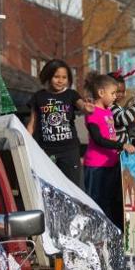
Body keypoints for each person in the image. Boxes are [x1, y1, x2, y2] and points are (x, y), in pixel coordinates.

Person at [27, 59, 93, 188]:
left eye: (64, 77)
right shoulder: (39, 97)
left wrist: (87, 109)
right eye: (56, 76)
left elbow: (82, 106)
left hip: (69, 150)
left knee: (73, 187)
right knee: (49, 186)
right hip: (46, 151)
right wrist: (25, 141)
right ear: (48, 76)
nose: (60, 80)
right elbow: (32, 124)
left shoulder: (71, 94)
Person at [82, 72, 135, 225]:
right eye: (112, 93)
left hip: (111, 164)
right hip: (96, 166)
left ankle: (111, 233)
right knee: (96, 202)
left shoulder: (108, 111)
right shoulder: (93, 112)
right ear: (101, 93)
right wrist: (122, 145)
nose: (115, 96)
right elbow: (98, 139)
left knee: (110, 201)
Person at [108, 68, 135, 147]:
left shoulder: (116, 107)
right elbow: (125, 119)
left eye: (123, 91)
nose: (121, 95)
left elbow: (123, 132)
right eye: (118, 91)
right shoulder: (110, 108)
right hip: (116, 151)